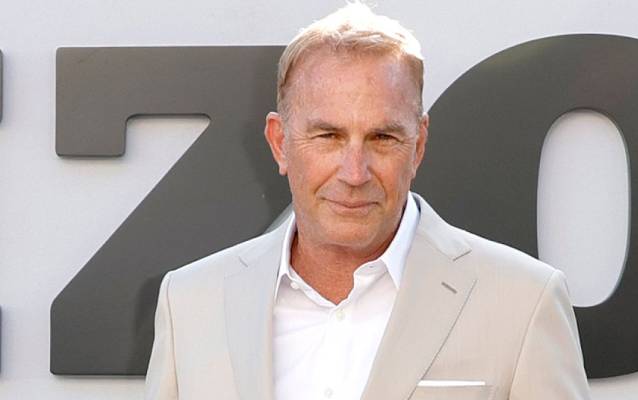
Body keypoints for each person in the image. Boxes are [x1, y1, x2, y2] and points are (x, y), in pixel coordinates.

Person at [144, 3, 591, 400]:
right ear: (280, 143)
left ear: (418, 146)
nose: (354, 173)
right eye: (328, 136)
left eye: (382, 138)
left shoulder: (524, 302)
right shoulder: (190, 302)